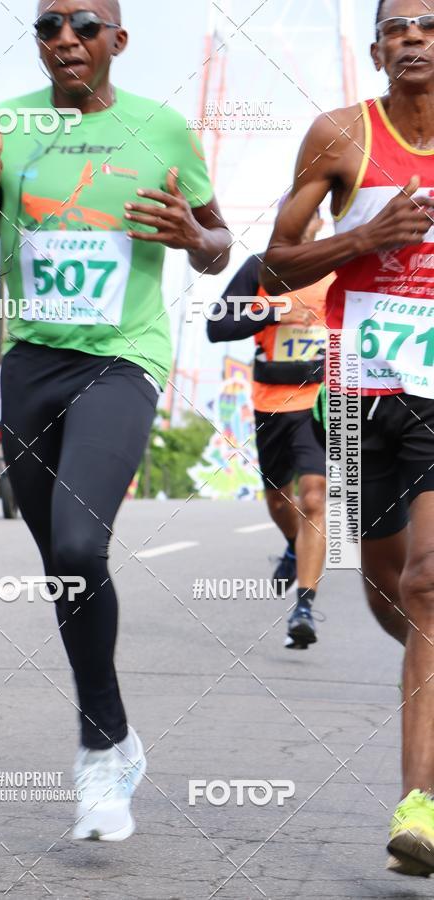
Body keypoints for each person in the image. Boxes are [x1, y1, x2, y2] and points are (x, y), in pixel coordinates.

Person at [0, 0, 230, 842]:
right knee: (62, 571)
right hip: (30, 364)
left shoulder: (164, 129)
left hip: (121, 359)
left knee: (78, 545)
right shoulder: (2, 128)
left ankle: (101, 753)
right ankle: (114, 730)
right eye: (48, 25)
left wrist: (191, 236)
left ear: (118, 41)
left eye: (85, 25)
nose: (66, 38)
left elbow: (218, 245)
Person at [263, 0, 434, 876]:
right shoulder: (339, 137)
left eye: (429, 25)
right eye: (398, 26)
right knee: (389, 593)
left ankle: (420, 809)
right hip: (365, 387)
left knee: (429, 581)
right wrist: (366, 237)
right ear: (376, 48)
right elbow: (273, 261)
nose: (413, 37)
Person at [208, 204, 330, 650]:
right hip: (271, 402)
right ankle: (296, 544)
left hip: (320, 402)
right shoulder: (260, 268)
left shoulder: (338, 267)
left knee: (314, 495)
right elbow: (216, 326)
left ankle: (304, 605)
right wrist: (271, 311)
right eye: (290, 214)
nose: (300, 222)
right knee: (281, 501)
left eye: (309, 215)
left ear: (320, 222)